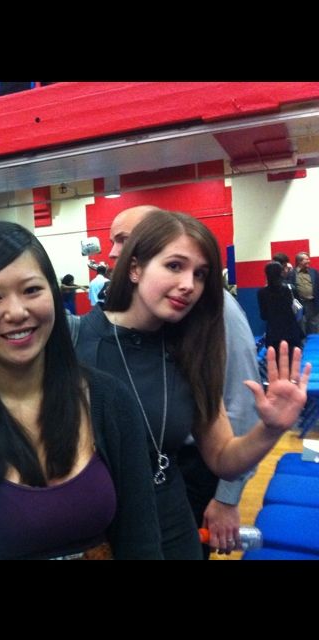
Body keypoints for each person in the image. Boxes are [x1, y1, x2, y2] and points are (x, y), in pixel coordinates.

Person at [75, 209, 309, 559]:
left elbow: (223, 457)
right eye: (174, 266)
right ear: (135, 268)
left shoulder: (190, 348)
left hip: (173, 527)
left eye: (200, 274)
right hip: (100, 534)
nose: (189, 284)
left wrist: (270, 429)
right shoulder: (75, 339)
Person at [0, 221, 163, 560]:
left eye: (31, 290)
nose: (17, 312)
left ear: (53, 296)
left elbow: (141, 541)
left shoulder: (109, 401)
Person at [106, 205, 262, 559]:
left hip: (192, 470)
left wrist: (227, 498)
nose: (114, 252)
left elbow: (240, 400)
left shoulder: (211, 310)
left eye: (124, 240)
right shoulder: (138, 325)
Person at [258, 261, 303, 365]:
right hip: (291, 331)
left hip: (273, 333)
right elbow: (299, 309)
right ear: (281, 272)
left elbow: (263, 316)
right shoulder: (290, 288)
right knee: (293, 363)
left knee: (276, 364)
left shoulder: (261, 293)